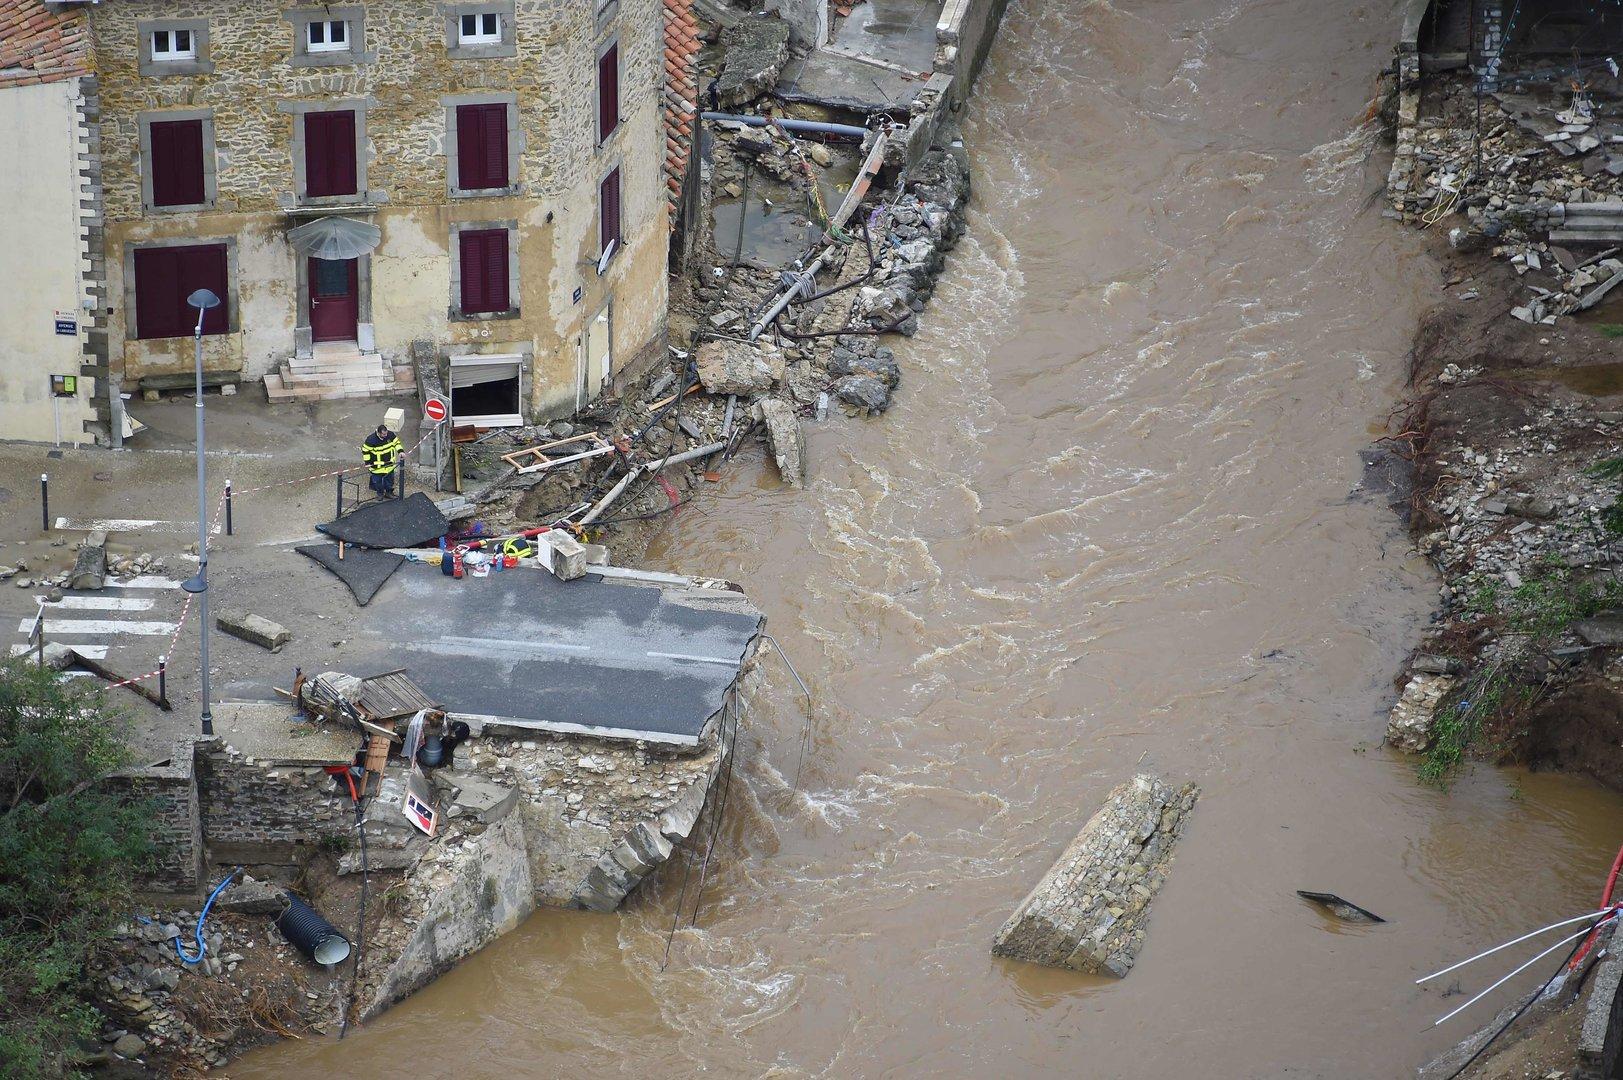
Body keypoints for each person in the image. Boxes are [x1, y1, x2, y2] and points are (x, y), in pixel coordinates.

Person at [361, 424, 402, 498]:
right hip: (377, 466)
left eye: (386, 433)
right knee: (377, 481)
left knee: (389, 480)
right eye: (384, 434)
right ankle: (380, 494)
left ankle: (389, 493)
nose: (386, 435)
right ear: (379, 433)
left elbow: (397, 443)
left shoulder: (390, 435)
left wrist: (400, 451)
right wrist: (367, 462)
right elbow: (365, 451)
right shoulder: (371, 440)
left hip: (389, 465)